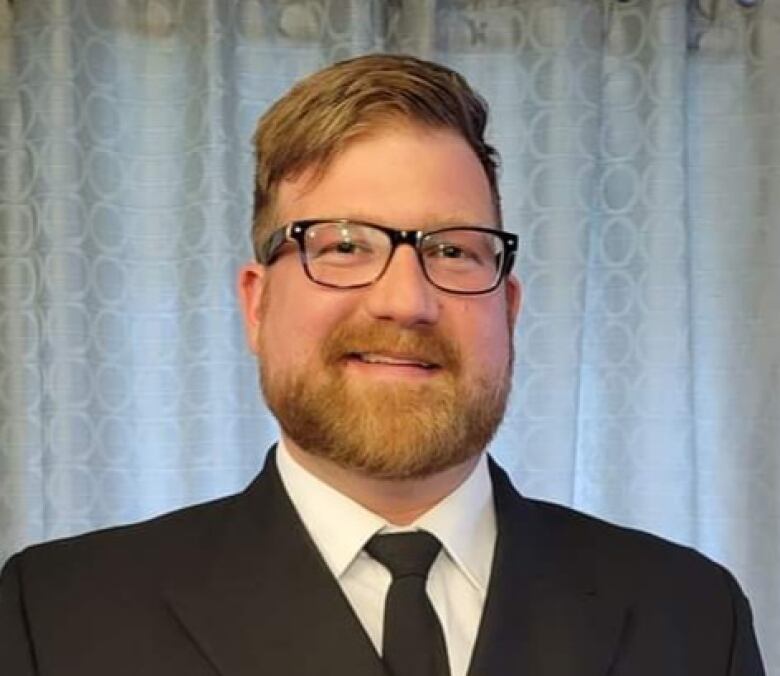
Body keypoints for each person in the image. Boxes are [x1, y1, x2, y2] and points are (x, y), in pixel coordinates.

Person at [0, 54, 766, 676]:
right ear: (257, 305)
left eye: (455, 252)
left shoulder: (693, 615)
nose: (407, 301)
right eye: (342, 246)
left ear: (511, 310)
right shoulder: (56, 614)